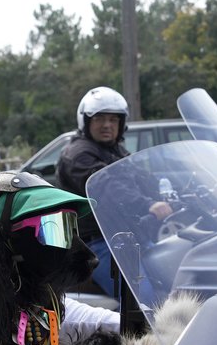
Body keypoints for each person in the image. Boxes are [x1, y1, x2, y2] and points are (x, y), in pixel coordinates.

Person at [56, 86, 172, 295]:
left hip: (129, 236)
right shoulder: (78, 155)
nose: (107, 125)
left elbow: (142, 178)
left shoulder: (116, 151)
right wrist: (148, 205)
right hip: (97, 244)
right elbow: (108, 188)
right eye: (100, 119)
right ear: (87, 121)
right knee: (143, 299)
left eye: (113, 119)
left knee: (176, 278)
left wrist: (174, 193)